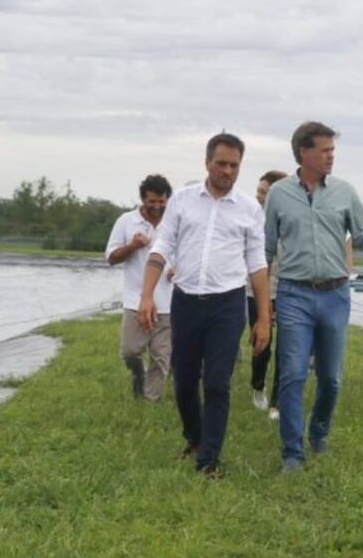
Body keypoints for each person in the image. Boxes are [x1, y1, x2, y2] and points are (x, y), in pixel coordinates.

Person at [264, 121, 363, 472]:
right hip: (293, 294)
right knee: (293, 374)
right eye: (325, 150)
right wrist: (262, 303)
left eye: (333, 150)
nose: (331, 156)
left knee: (331, 378)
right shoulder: (279, 195)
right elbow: (265, 248)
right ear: (304, 152)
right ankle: (292, 452)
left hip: (335, 295)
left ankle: (318, 432)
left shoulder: (344, 192)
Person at [138, 132, 271, 477]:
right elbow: (161, 248)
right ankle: (194, 438)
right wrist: (147, 295)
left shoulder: (249, 210)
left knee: (216, 383)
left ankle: (208, 461)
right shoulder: (182, 201)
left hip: (227, 305)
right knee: (183, 381)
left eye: (234, 165)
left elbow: (257, 265)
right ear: (207, 163)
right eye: (221, 164)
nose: (228, 171)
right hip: (186, 301)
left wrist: (264, 320)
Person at [104, 174, 173, 401]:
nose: (157, 206)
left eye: (161, 201)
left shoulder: (174, 221)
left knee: (161, 357)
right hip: (135, 301)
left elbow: (185, 254)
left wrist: (178, 269)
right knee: (130, 351)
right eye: (152, 201)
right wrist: (133, 245)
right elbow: (111, 258)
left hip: (167, 303)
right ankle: (138, 375)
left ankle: (151, 401)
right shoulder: (126, 221)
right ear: (143, 199)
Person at [249, 169, 288, 419]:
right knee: (262, 342)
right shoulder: (251, 217)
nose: (259, 196)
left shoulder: (288, 217)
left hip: (286, 288)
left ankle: (277, 401)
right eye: (259, 191)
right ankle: (258, 384)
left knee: (287, 346)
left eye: (264, 192)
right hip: (254, 289)